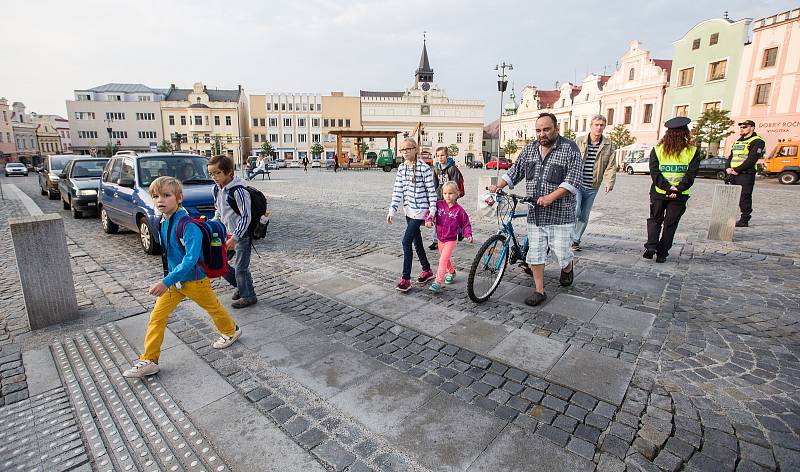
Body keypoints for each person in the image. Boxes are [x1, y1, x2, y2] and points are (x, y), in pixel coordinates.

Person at [122, 176, 241, 378]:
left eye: (166, 195)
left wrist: (165, 281)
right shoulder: (162, 221)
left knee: (214, 308)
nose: (160, 200)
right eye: (156, 196)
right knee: (157, 317)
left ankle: (231, 330)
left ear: (179, 198)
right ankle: (149, 360)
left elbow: (190, 260)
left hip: (195, 280)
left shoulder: (188, 226)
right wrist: (169, 279)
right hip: (175, 282)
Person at [488, 113, 582, 307]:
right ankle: (539, 290)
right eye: (538, 130)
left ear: (556, 129)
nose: (542, 134)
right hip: (536, 215)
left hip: (561, 215)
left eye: (546, 129)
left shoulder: (569, 149)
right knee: (536, 254)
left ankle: (567, 266)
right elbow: (516, 170)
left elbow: (573, 180)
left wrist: (551, 197)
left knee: (562, 253)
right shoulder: (530, 149)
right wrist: (499, 185)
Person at [644, 116, 702, 263]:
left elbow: (655, 173)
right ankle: (662, 254)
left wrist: (668, 187)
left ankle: (651, 246)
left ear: (667, 134)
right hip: (679, 194)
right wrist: (677, 188)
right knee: (670, 224)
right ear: (685, 133)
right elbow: (691, 174)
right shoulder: (692, 151)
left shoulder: (658, 150)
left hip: (659, 192)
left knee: (655, 219)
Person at [387, 137, 437, 292]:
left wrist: (432, 212)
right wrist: (392, 210)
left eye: (408, 148)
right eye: (402, 149)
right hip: (408, 210)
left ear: (416, 149)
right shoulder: (402, 168)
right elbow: (398, 190)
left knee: (405, 241)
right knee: (417, 241)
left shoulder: (424, 168)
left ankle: (406, 278)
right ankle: (427, 269)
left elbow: (431, 191)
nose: (405, 152)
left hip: (421, 211)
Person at [208, 154, 258, 308]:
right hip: (225, 234)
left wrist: (235, 237)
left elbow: (246, 216)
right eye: (211, 174)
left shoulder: (239, 191)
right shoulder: (216, 190)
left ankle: (249, 296)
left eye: (218, 173)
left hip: (241, 236)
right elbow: (219, 212)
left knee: (241, 268)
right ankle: (242, 286)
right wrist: (210, 225)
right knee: (219, 264)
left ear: (229, 172)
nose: (215, 177)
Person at [572, 114, 618, 251]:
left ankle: (575, 240)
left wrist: (609, 182)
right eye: (596, 125)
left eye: (601, 125)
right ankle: (567, 237)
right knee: (575, 210)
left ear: (604, 126)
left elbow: (611, 166)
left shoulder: (609, 145)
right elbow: (569, 159)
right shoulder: (579, 141)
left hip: (593, 185)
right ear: (591, 126)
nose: (599, 127)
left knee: (584, 215)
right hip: (577, 183)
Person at [430, 182, 473, 294]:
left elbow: (465, 224)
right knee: (445, 258)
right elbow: (430, 214)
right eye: (445, 193)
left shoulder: (459, 210)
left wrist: (468, 234)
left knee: (443, 259)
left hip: (451, 239)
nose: (447, 196)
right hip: (440, 238)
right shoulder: (438, 205)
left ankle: (437, 282)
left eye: (450, 193)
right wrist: (428, 220)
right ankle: (452, 271)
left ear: (457, 194)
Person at [726, 119, 765, 227]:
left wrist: (737, 170)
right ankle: (729, 216)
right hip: (732, 173)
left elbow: (752, 159)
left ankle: (744, 219)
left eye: (745, 127)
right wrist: (728, 168)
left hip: (745, 174)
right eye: (741, 127)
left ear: (752, 127)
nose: (742, 129)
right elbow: (731, 156)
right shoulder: (738, 141)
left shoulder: (757, 141)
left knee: (744, 196)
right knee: (733, 196)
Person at [429, 146, 464, 250]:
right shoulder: (436, 168)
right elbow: (434, 184)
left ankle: (460, 230)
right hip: (439, 197)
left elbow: (455, 185)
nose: (440, 158)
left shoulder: (452, 168)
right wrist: (432, 195)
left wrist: (453, 198)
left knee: (451, 217)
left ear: (447, 156)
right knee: (438, 217)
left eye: (442, 155)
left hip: (450, 198)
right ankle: (436, 240)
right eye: (438, 156)